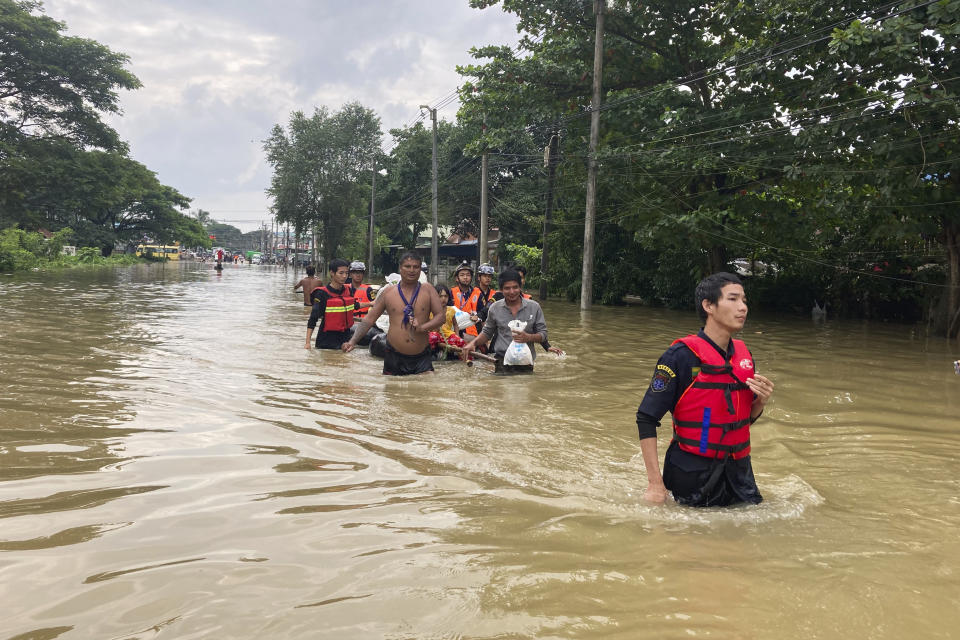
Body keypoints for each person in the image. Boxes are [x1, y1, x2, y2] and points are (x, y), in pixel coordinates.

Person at [635, 272, 775, 507]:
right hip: (692, 472)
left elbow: (740, 421)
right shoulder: (679, 357)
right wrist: (655, 484)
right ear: (708, 305)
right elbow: (645, 418)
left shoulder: (744, 357)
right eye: (733, 299)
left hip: (739, 474)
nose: (743, 308)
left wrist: (760, 402)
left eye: (744, 300)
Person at [343, 252, 444, 375]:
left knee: (424, 389)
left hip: (421, 356)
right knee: (392, 392)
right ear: (400, 268)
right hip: (394, 356)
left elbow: (440, 317)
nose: (412, 270)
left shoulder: (428, 289)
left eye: (415, 267)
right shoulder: (388, 292)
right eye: (407, 266)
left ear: (420, 270)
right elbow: (369, 319)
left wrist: (423, 327)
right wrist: (352, 341)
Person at [461, 269, 548, 373]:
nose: (512, 292)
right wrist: (473, 343)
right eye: (507, 288)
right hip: (501, 362)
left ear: (520, 287)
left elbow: (543, 334)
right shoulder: (495, 308)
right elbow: (487, 333)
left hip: (526, 363)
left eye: (515, 287)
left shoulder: (534, 307)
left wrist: (529, 337)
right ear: (501, 290)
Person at [304, 259, 363, 350]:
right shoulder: (322, 294)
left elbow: (354, 306)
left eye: (346, 273)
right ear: (332, 273)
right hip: (326, 343)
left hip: (345, 341)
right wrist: (307, 343)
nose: (344, 276)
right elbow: (313, 318)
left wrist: (371, 304)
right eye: (341, 273)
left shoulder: (349, 291)